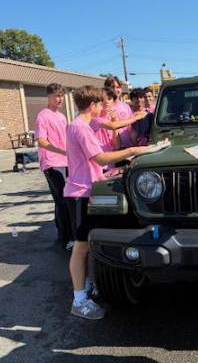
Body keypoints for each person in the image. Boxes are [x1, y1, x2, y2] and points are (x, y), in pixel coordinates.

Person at [64, 85, 149, 320]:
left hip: (90, 188)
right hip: (80, 193)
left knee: (90, 243)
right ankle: (79, 300)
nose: (103, 107)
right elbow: (100, 157)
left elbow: (109, 125)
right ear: (92, 105)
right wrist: (133, 150)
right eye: (100, 104)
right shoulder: (80, 128)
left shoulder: (84, 124)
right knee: (81, 247)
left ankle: (88, 286)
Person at [34, 83, 73, 249]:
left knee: (65, 199)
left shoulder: (62, 116)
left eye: (61, 96)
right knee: (62, 200)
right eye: (56, 96)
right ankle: (67, 237)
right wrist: (59, 150)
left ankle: (64, 234)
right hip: (51, 162)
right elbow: (41, 141)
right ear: (48, 97)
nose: (60, 99)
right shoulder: (43, 116)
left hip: (65, 161)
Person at [90, 87, 147, 152]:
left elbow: (117, 145)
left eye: (109, 98)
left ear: (113, 101)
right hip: (99, 158)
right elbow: (112, 125)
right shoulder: (94, 119)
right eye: (103, 99)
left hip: (111, 157)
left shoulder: (112, 118)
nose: (106, 101)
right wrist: (136, 117)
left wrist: (114, 120)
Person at [104, 76, 134, 147]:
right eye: (112, 87)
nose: (115, 89)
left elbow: (131, 128)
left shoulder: (126, 106)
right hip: (111, 150)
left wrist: (134, 143)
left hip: (128, 147)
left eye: (118, 87)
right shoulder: (103, 108)